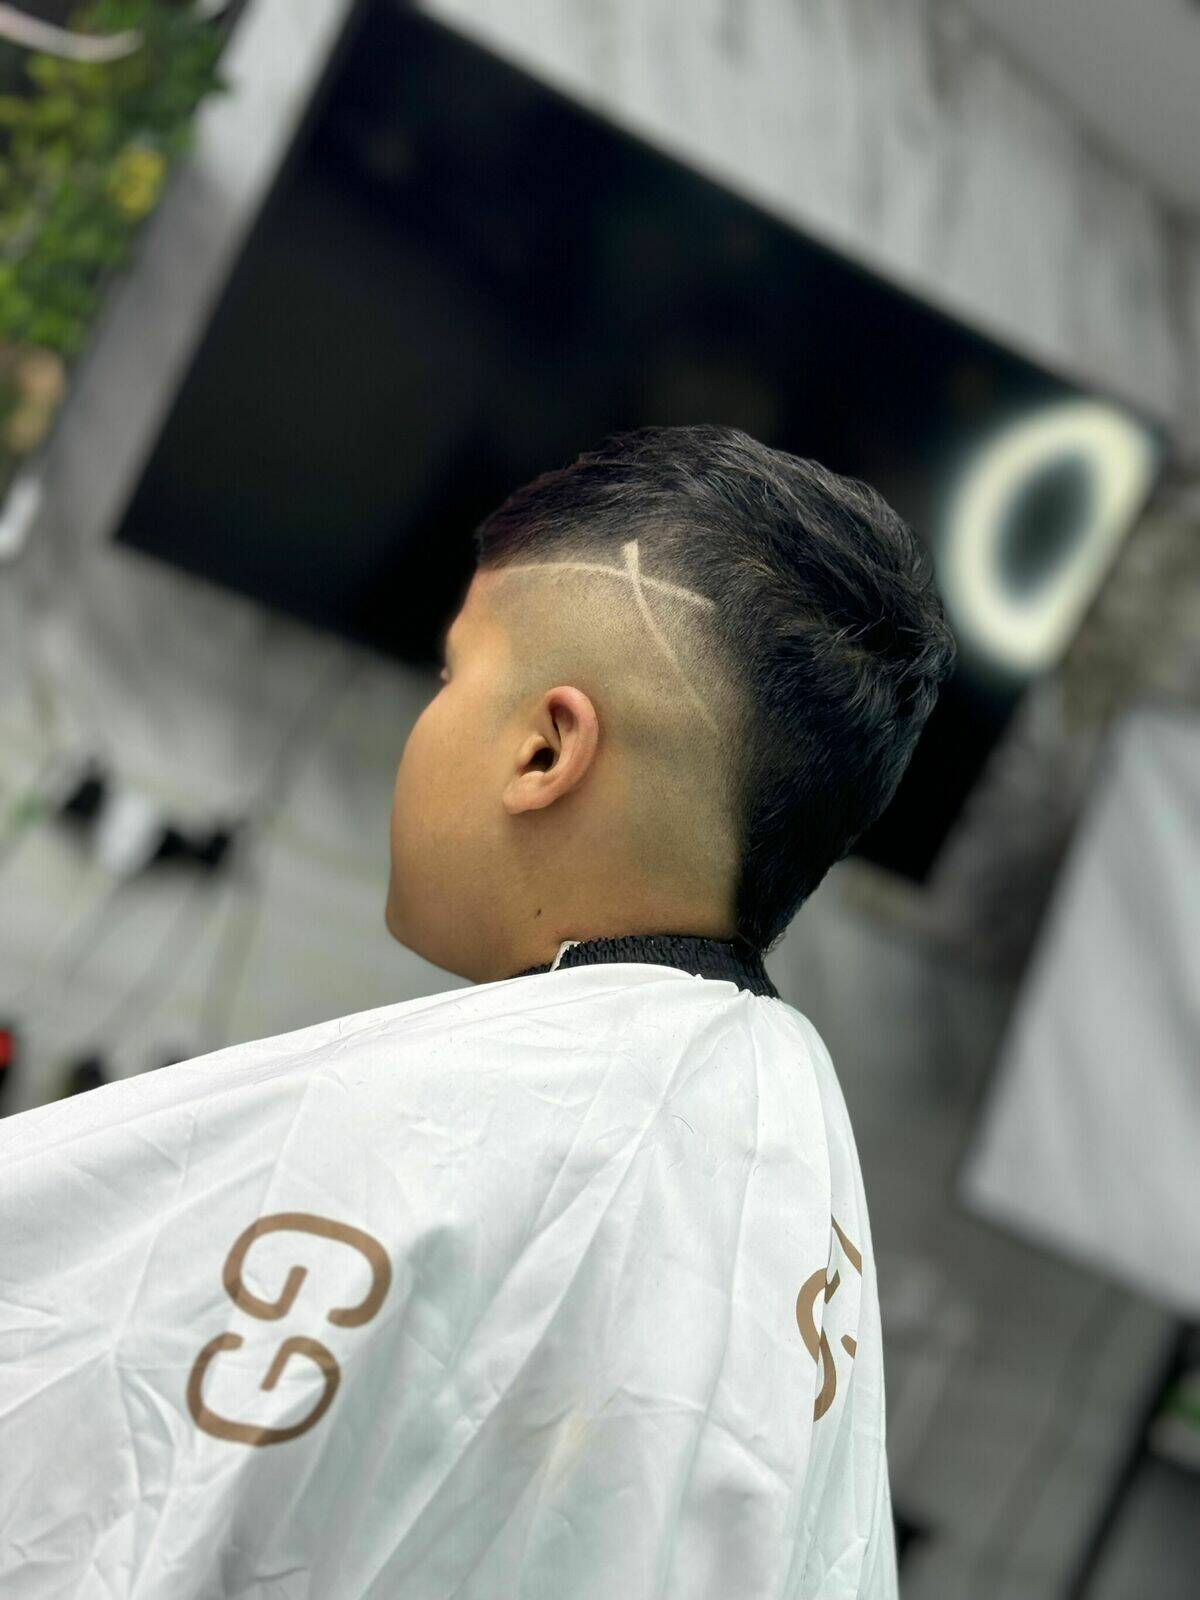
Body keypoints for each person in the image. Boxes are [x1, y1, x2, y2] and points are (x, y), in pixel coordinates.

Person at [0, 424, 955, 1597]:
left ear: (545, 749)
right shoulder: (789, 1147)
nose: (432, 713)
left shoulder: (447, 1125)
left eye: (451, 675)